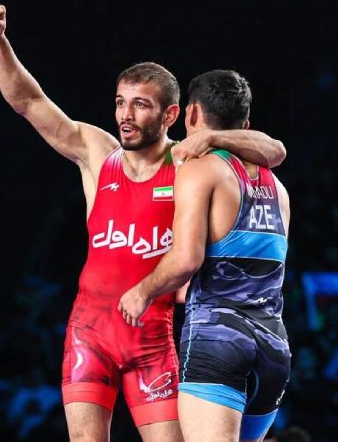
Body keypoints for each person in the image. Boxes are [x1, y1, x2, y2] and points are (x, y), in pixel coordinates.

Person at [0, 2, 286, 442]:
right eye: (121, 103)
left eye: (140, 105)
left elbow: (273, 151)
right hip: (90, 333)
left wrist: (213, 136)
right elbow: (28, 102)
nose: (125, 115)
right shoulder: (98, 154)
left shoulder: (190, 164)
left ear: (171, 115)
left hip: (153, 342)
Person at [119, 70, 291, 442]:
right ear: (245, 125)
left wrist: (141, 291)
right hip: (274, 348)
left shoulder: (201, 170)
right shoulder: (278, 188)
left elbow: (187, 259)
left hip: (218, 340)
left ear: (192, 113)